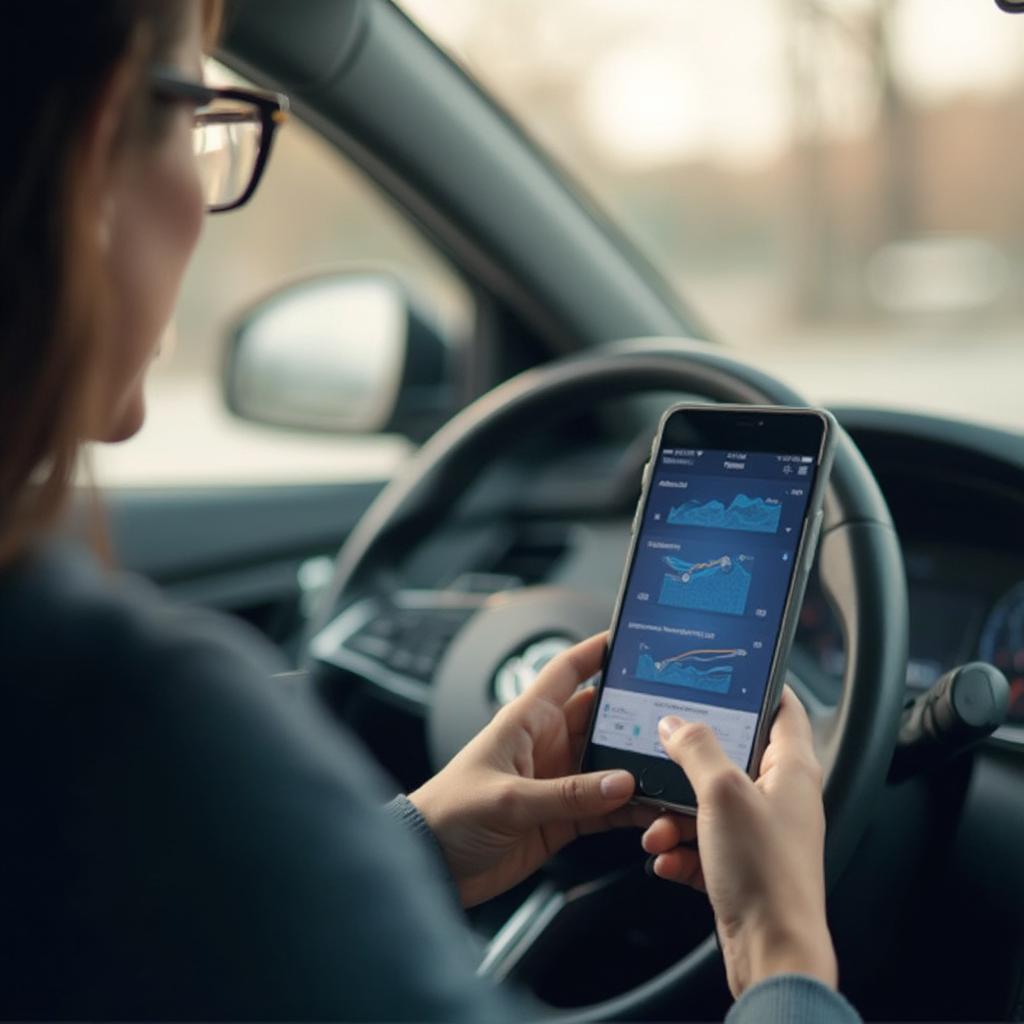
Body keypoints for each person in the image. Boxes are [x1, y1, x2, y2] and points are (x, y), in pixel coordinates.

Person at [0, 1, 860, 1020]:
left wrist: (410, 845)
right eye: (203, 124)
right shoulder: (132, 724)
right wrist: (781, 946)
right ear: (102, 135)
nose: (203, 187)